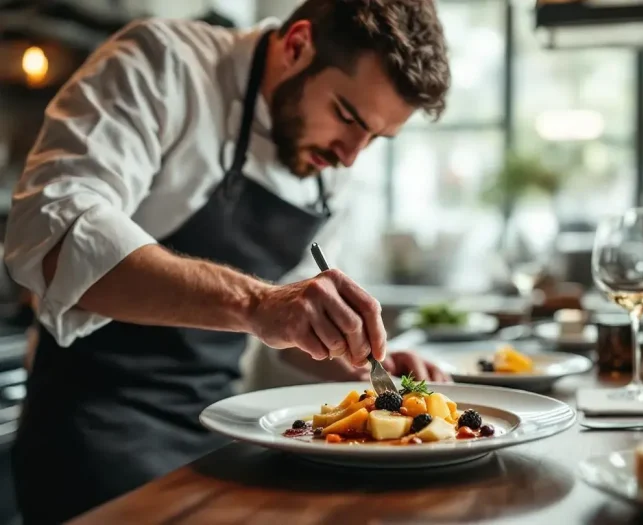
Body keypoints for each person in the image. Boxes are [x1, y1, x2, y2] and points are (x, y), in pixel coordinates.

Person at [3, 1, 452, 523]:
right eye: (347, 117)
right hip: (93, 434)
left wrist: (351, 350)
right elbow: (51, 230)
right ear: (296, 45)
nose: (352, 154)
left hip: (220, 435)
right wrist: (255, 302)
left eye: (376, 137)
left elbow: (295, 323)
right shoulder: (161, 64)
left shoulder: (330, 158)